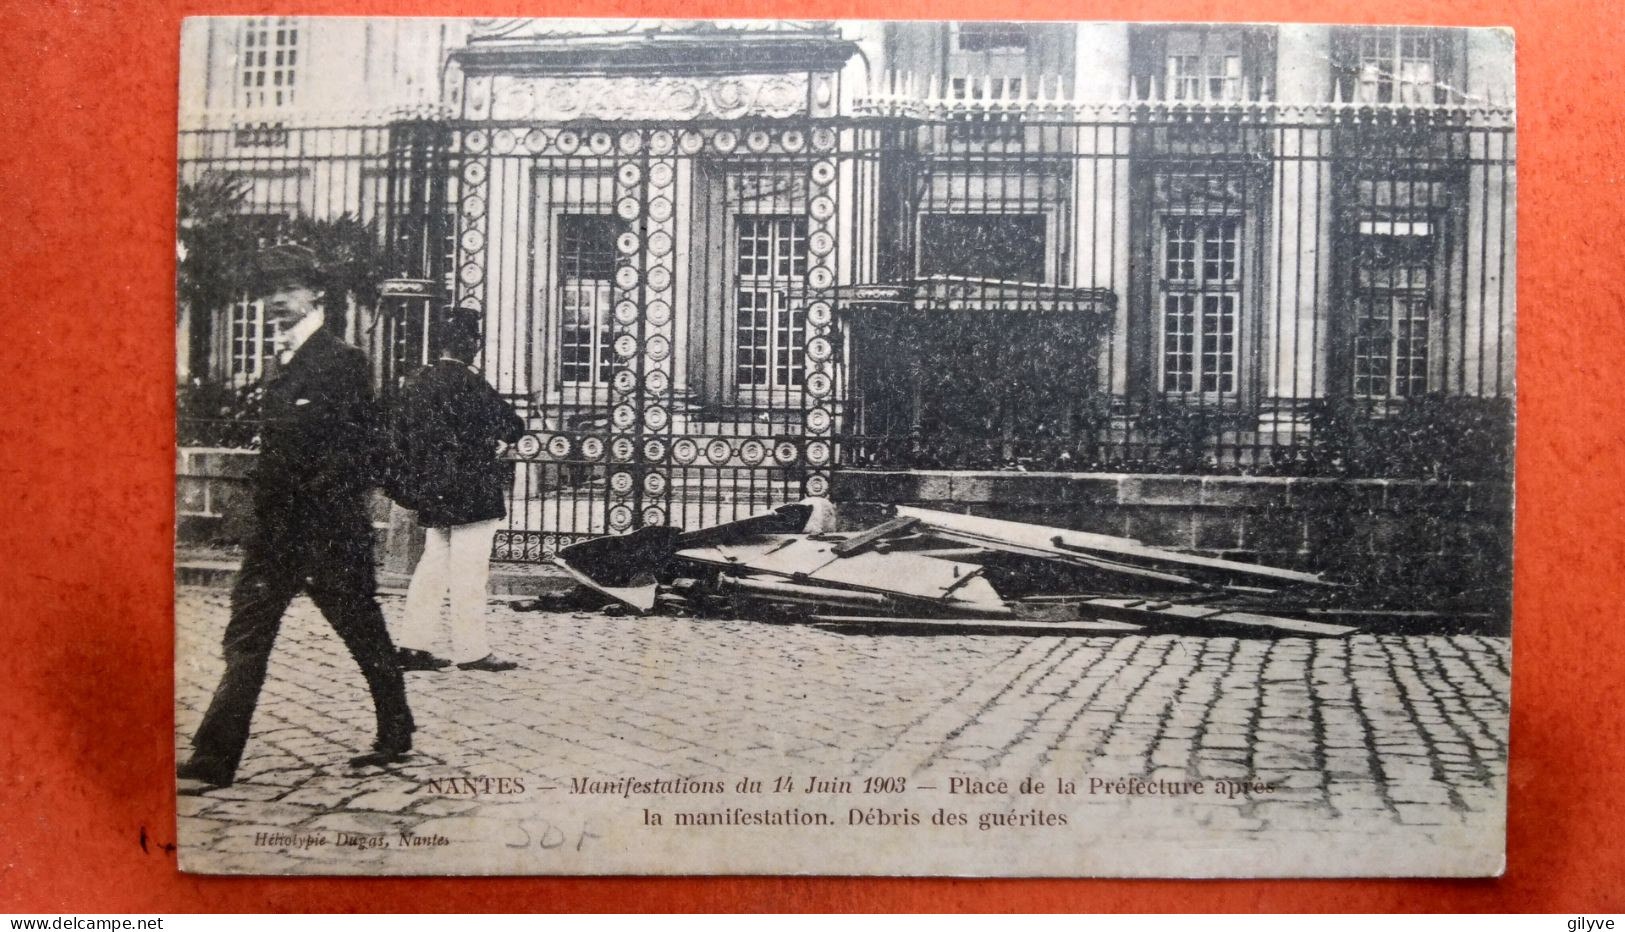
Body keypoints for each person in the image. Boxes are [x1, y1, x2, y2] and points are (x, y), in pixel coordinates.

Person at [177, 244, 414, 792]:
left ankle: (397, 727)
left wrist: (305, 507)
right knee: (246, 637)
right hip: (277, 535)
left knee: (362, 633)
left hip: (328, 534)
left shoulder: (342, 361)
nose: (274, 301)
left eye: (285, 289)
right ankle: (214, 758)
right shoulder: (282, 361)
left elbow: (356, 451)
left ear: (317, 294)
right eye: (267, 292)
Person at [388, 310, 525, 673]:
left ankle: (412, 645)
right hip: (473, 489)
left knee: (432, 566)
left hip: (436, 490)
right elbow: (513, 426)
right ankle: (473, 651)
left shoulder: (420, 382)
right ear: (472, 344)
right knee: (470, 571)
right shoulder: (471, 383)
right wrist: (488, 440)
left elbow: (401, 436)